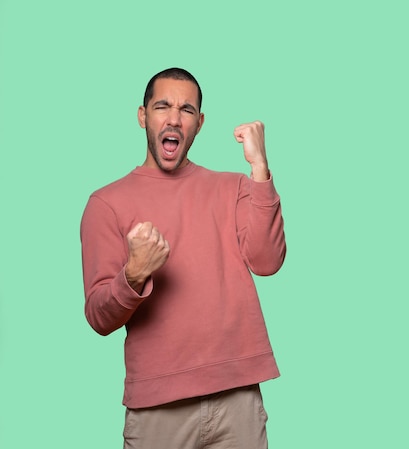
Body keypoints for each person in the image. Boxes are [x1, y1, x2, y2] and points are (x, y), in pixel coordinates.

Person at [80, 67, 286, 449]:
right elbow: (98, 316)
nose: (174, 118)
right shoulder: (106, 204)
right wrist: (134, 273)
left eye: (187, 110)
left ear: (199, 123)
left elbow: (268, 261)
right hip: (158, 408)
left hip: (237, 395)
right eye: (162, 106)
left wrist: (259, 169)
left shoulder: (234, 187)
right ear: (143, 116)